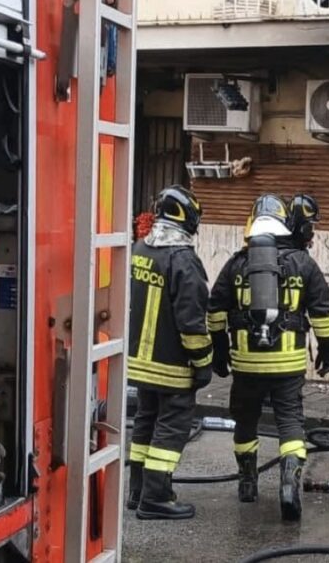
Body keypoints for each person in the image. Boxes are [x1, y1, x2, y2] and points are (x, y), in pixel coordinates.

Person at [208, 193, 329, 521]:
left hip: (246, 363)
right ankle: (289, 484)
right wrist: (327, 350)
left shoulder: (238, 262)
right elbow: (322, 313)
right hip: (288, 363)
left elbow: (215, 308)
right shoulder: (303, 263)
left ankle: (248, 484)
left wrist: (220, 350)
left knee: (246, 420)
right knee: (290, 420)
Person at [126, 185, 212, 520]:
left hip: (139, 364)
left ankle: (137, 490)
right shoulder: (183, 261)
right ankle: (156, 497)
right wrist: (203, 363)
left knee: (145, 421)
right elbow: (191, 322)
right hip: (172, 366)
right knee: (171, 426)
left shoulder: (139, 249)